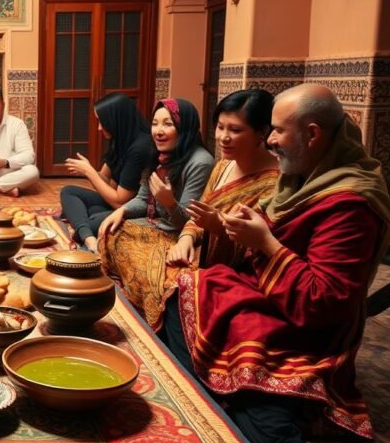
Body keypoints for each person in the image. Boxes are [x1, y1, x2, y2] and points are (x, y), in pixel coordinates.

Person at [161, 84, 390, 443]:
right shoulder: (304, 175)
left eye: (277, 131)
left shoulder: (349, 202)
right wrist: (241, 232)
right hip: (271, 291)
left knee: (223, 324)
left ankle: (279, 441)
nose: (270, 141)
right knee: (186, 290)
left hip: (308, 326)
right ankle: (229, 397)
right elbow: (267, 234)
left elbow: (323, 302)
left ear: (313, 134)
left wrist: (266, 244)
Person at [119, 90, 280, 330]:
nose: (223, 137)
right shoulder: (224, 165)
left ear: (262, 133)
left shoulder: (274, 183)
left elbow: (255, 248)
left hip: (227, 269)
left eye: (235, 130)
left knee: (168, 281)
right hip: (194, 245)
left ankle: (166, 332)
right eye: (220, 127)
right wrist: (185, 238)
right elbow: (198, 212)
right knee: (121, 235)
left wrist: (212, 225)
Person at [97, 98, 214, 327]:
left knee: (149, 267)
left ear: (184, 127)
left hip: (178, 236)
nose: (159, 131)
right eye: (155, 124)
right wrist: (120, 211)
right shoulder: (159, 155)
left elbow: (189, 222)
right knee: (112, 228)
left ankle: (150, 309)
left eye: (168, 124)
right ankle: (131, 285)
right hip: (157, 224)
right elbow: (142, 198)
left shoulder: (200, 162)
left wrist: (169, 202)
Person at [60, 93, 152, 252]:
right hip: (115, 203)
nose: (99, 127)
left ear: (116, 120)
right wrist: (88, 170)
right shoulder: (120, 139)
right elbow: (104, 178)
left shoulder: (140, 148)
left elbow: (120, 202)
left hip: (132, 211)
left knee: (92, 220)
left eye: (102, 122)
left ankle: (84, 233)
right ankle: (89, 238)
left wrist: (90, 173)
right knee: (68, 191)